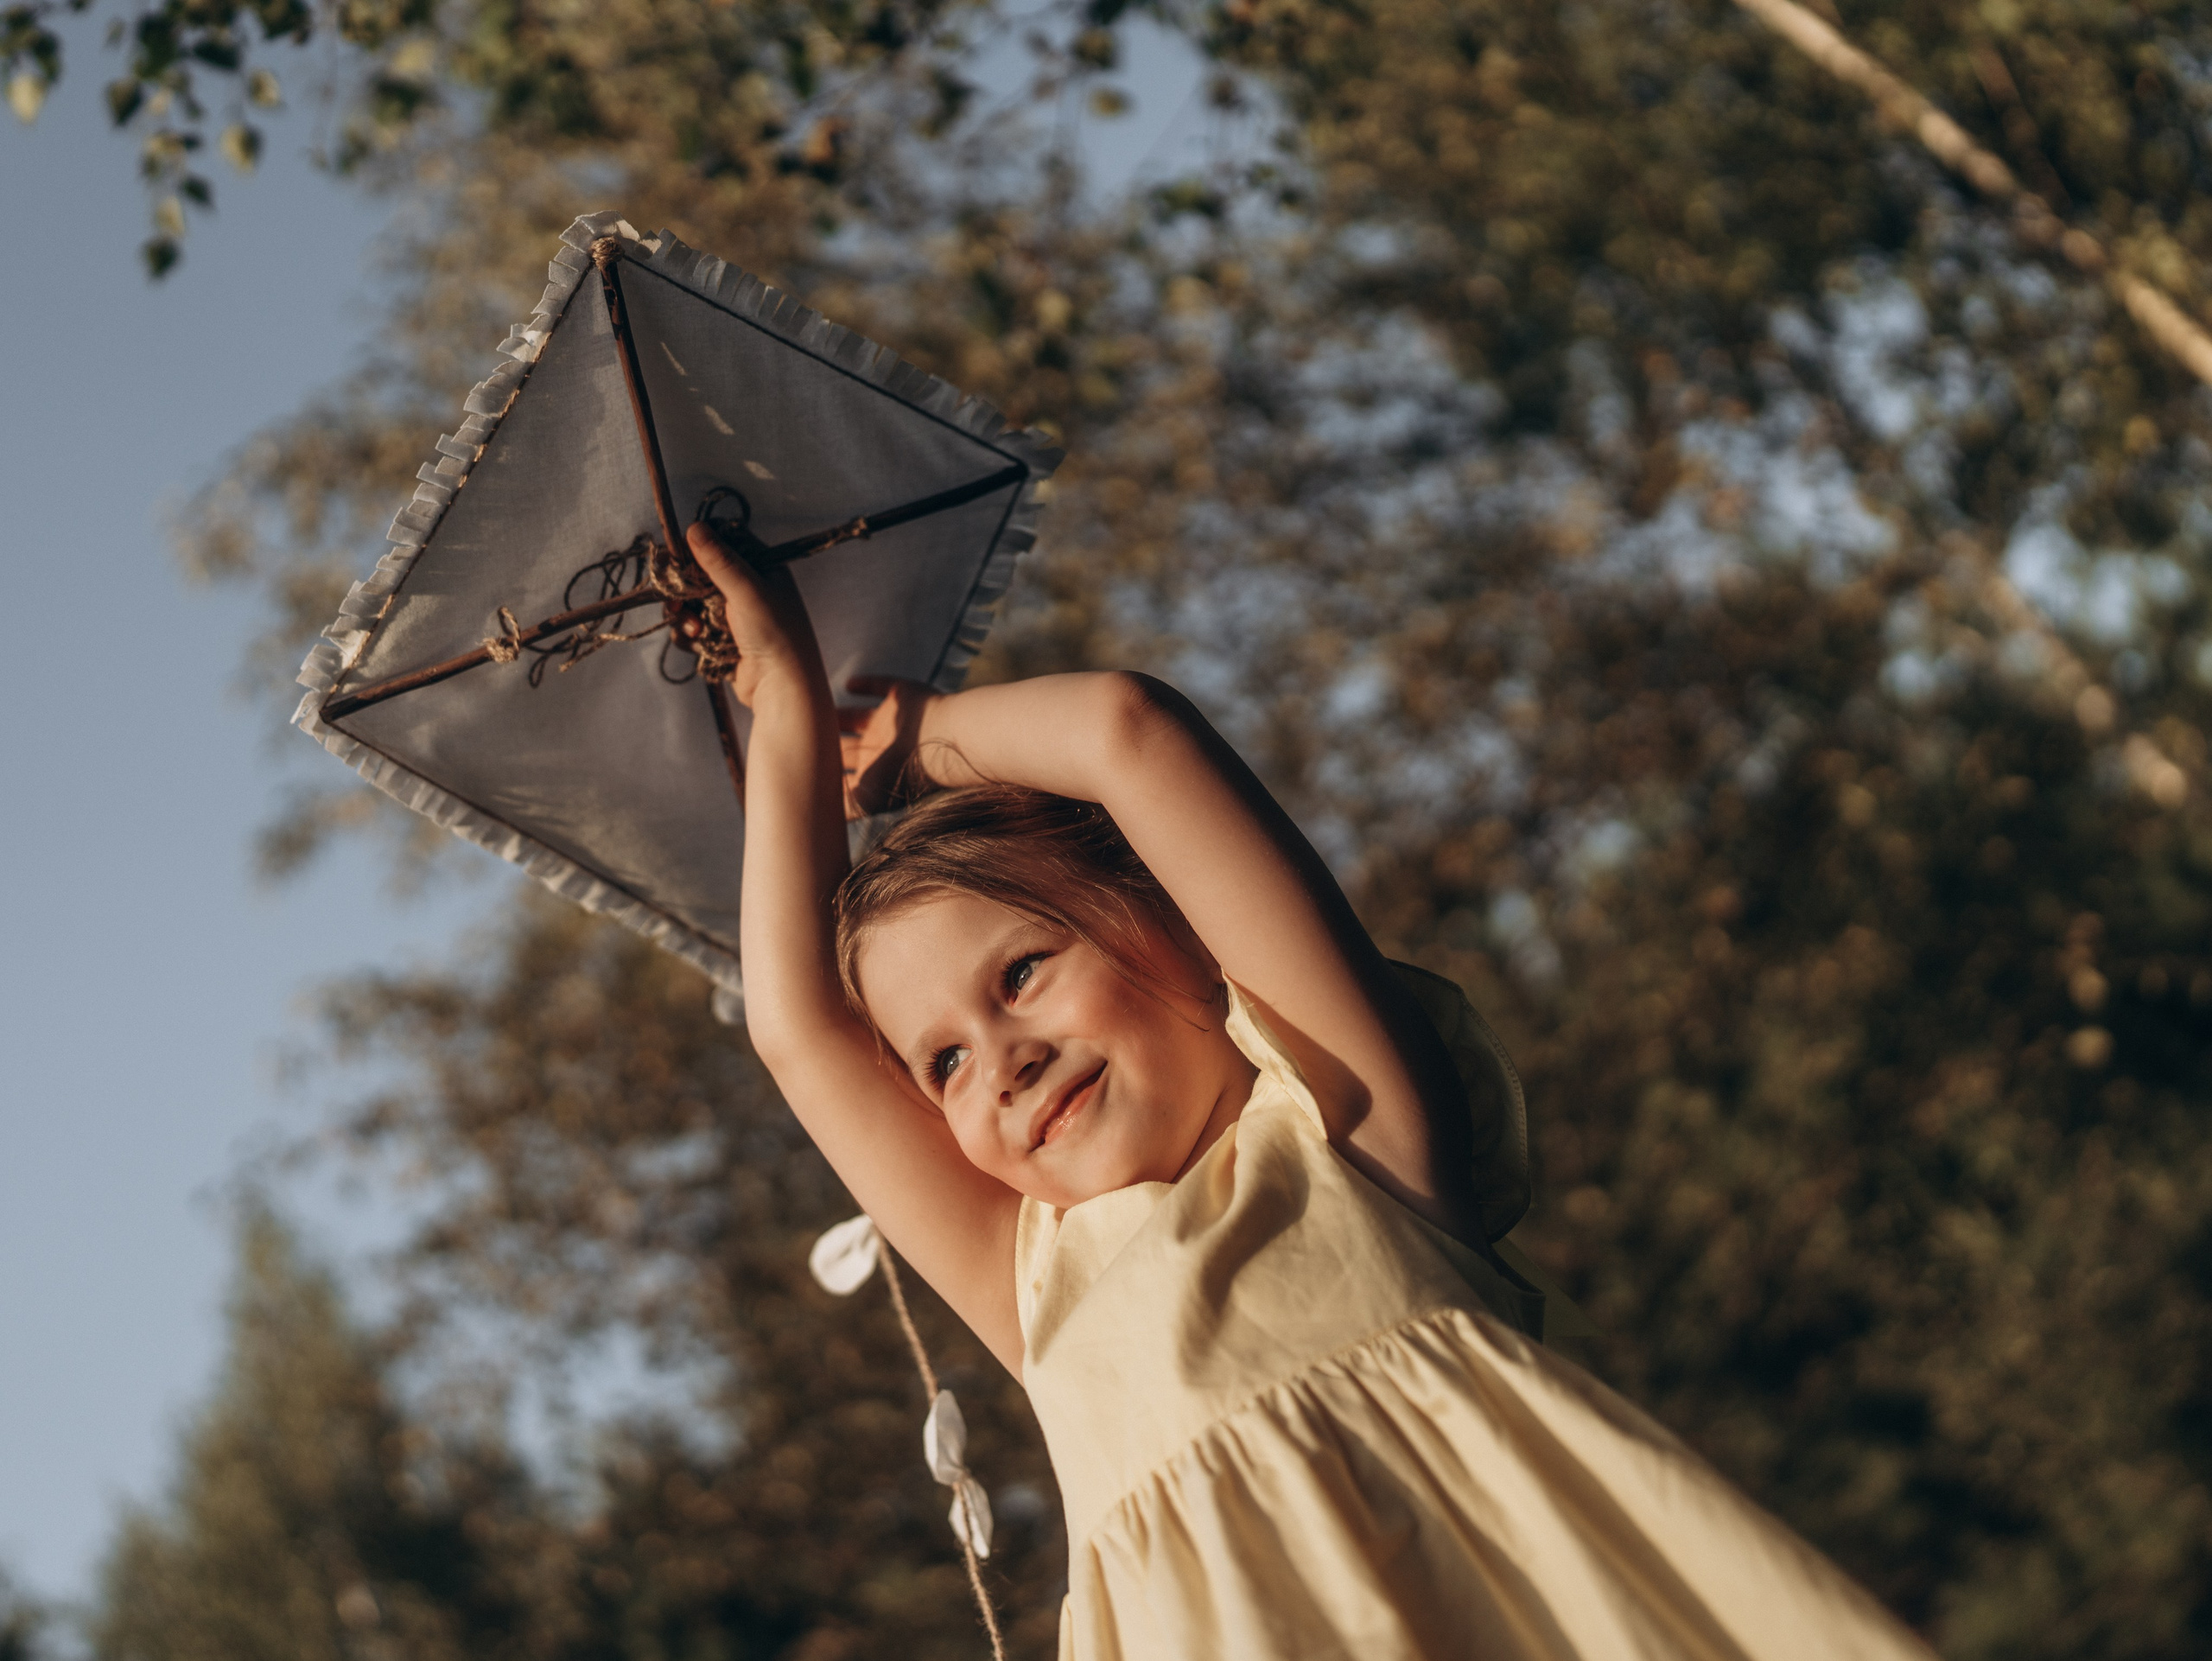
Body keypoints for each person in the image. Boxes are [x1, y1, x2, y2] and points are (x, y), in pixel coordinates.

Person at [687, 519, 1936, 1661]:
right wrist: (784, 704)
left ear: (1172, 925)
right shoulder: (1034, 1282)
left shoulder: (1354, 1129)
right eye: (943, 1061)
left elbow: (1129, 733)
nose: (998, 1058)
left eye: (1022, 971)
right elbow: (797, 1028)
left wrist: (915, 746)